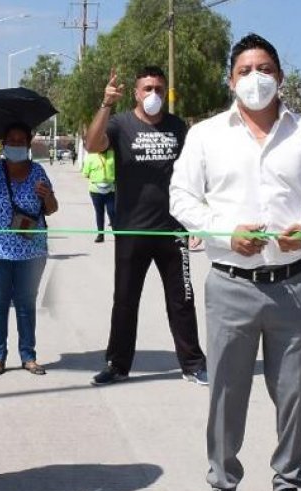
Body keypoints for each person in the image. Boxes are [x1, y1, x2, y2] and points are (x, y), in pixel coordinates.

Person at [170, 33, 301, 491]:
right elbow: (181, 198)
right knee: (226, 390)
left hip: (292, 284)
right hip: (231, 283)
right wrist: (224, 234)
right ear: (231, 79)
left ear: (281, 76)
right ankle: (223, 484)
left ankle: (287, 482)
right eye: (245, 70)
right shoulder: (206, 135)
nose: (255, 78)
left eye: (264, 68)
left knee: (294, 392)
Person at [85, 66, 207, 387]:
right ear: (136, 93)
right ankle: (117, 364)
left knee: (182, 300)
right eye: (147, 88)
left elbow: (193, 176)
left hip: (172, 231)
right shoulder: (121, 123)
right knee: (125, 300)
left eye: (158, 88)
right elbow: (92, 145)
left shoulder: (177, 126)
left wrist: (195, 222)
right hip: (131, 230)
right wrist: (106, 104)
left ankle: (193, 363)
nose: (153, 94)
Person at [0, 121, 57, 376]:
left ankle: (28, 356)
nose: (16, 145)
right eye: (11, 141)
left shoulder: (38, 172)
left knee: (26, 304)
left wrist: (47, 195)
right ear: (2, 145)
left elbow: (52, 209)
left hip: (31, 251)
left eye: (21, 140)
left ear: (28, 144)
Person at [81, 148, 116, 243]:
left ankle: (116, 234)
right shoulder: (90, 157)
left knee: (112, 211)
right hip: (95, 190)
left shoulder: (113, 154)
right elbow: (85, 173)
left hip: (111, 189)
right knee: (99, 212)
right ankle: (100, 235)